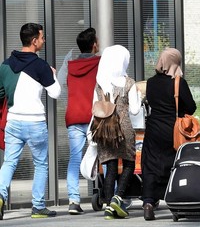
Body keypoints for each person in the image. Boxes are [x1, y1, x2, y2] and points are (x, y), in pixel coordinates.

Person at [0, 23, 61, 219]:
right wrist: (52, 74)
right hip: (35, 123)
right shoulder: (40, 66)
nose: (43, 40)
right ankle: (38, 206)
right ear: (34, 41)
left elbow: (1, 94)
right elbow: (56, 93)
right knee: (41, 164)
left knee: (9, 162)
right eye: (42, 37)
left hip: (14, 122)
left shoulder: (5, 65)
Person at [141, 48, 197, 221]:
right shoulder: (179, 83)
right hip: (173, 130)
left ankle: (149, 203)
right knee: (173, 165)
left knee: (150, 165)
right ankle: (174, 201)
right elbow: (191, 107)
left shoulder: (150, 82)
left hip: (153, 129)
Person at [94, 45, 141, 220]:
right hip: (124, 128)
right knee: (129, 163)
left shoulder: (99, 82)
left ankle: (108, 205)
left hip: (104, 129)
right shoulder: (129, 82)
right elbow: (135, 110)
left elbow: (94, 106)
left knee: (110, 165)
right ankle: (118, 197)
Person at [58, 28, 100, 214]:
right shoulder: (99, 63)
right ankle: (110, 195)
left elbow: (59, 84)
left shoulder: (69, 65)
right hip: (95, 117)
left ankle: (73, 201)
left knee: (75, 159)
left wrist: (71, 98)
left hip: (74, 116)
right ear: (93, 45)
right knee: (105, 156)